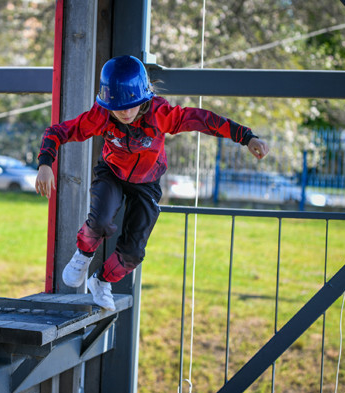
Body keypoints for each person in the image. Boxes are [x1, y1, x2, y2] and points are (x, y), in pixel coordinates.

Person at [35, 55, 269, 311]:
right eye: (118, 106)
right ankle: (84, 254)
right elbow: (58, 131)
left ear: (143, 98)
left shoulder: (161, 114)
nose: (125, 112)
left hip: (147, 182)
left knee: (133, 253)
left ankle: (101, 281)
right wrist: (46, 164)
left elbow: (203, 119)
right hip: (112, 172)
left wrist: (246, 137)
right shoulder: (100, 116)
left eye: (131, 105)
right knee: (100, 220)